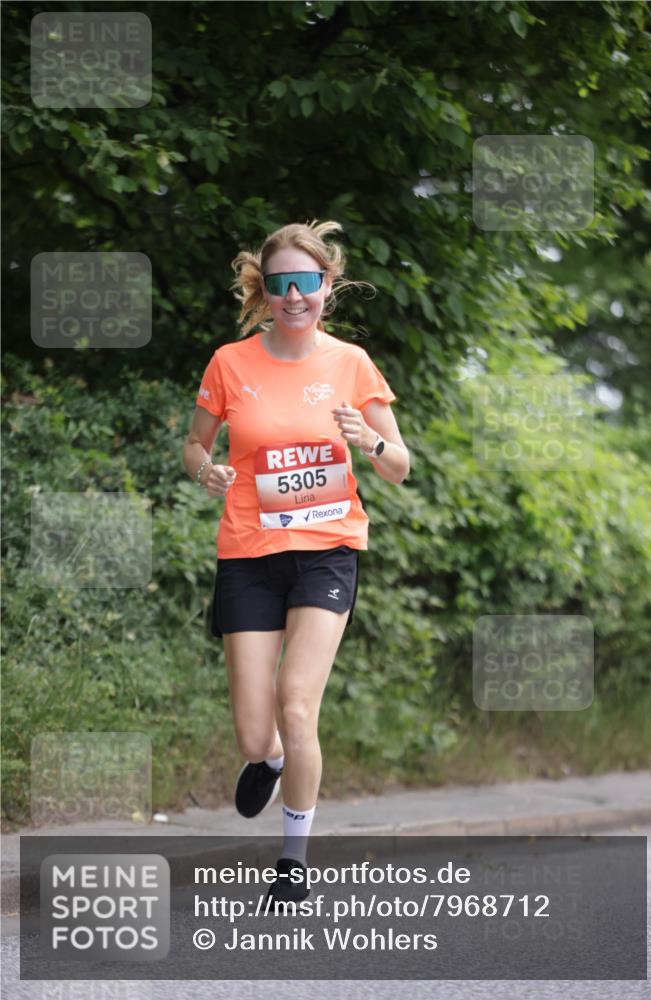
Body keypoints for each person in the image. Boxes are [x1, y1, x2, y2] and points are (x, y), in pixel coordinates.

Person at [182, 220, 410, 905]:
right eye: (279, 283)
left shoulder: (351, 363)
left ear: (325, 285)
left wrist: (369, 441)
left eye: (305, 282)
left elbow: (399, 466)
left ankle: (293, 858)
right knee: (256, 734)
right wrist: (206, 471)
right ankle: (271, 761)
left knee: (297, 702)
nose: (292, 296)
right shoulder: (230, 363)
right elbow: (195, 446)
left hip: (327, 552)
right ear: (264, 287)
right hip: (250, 553)